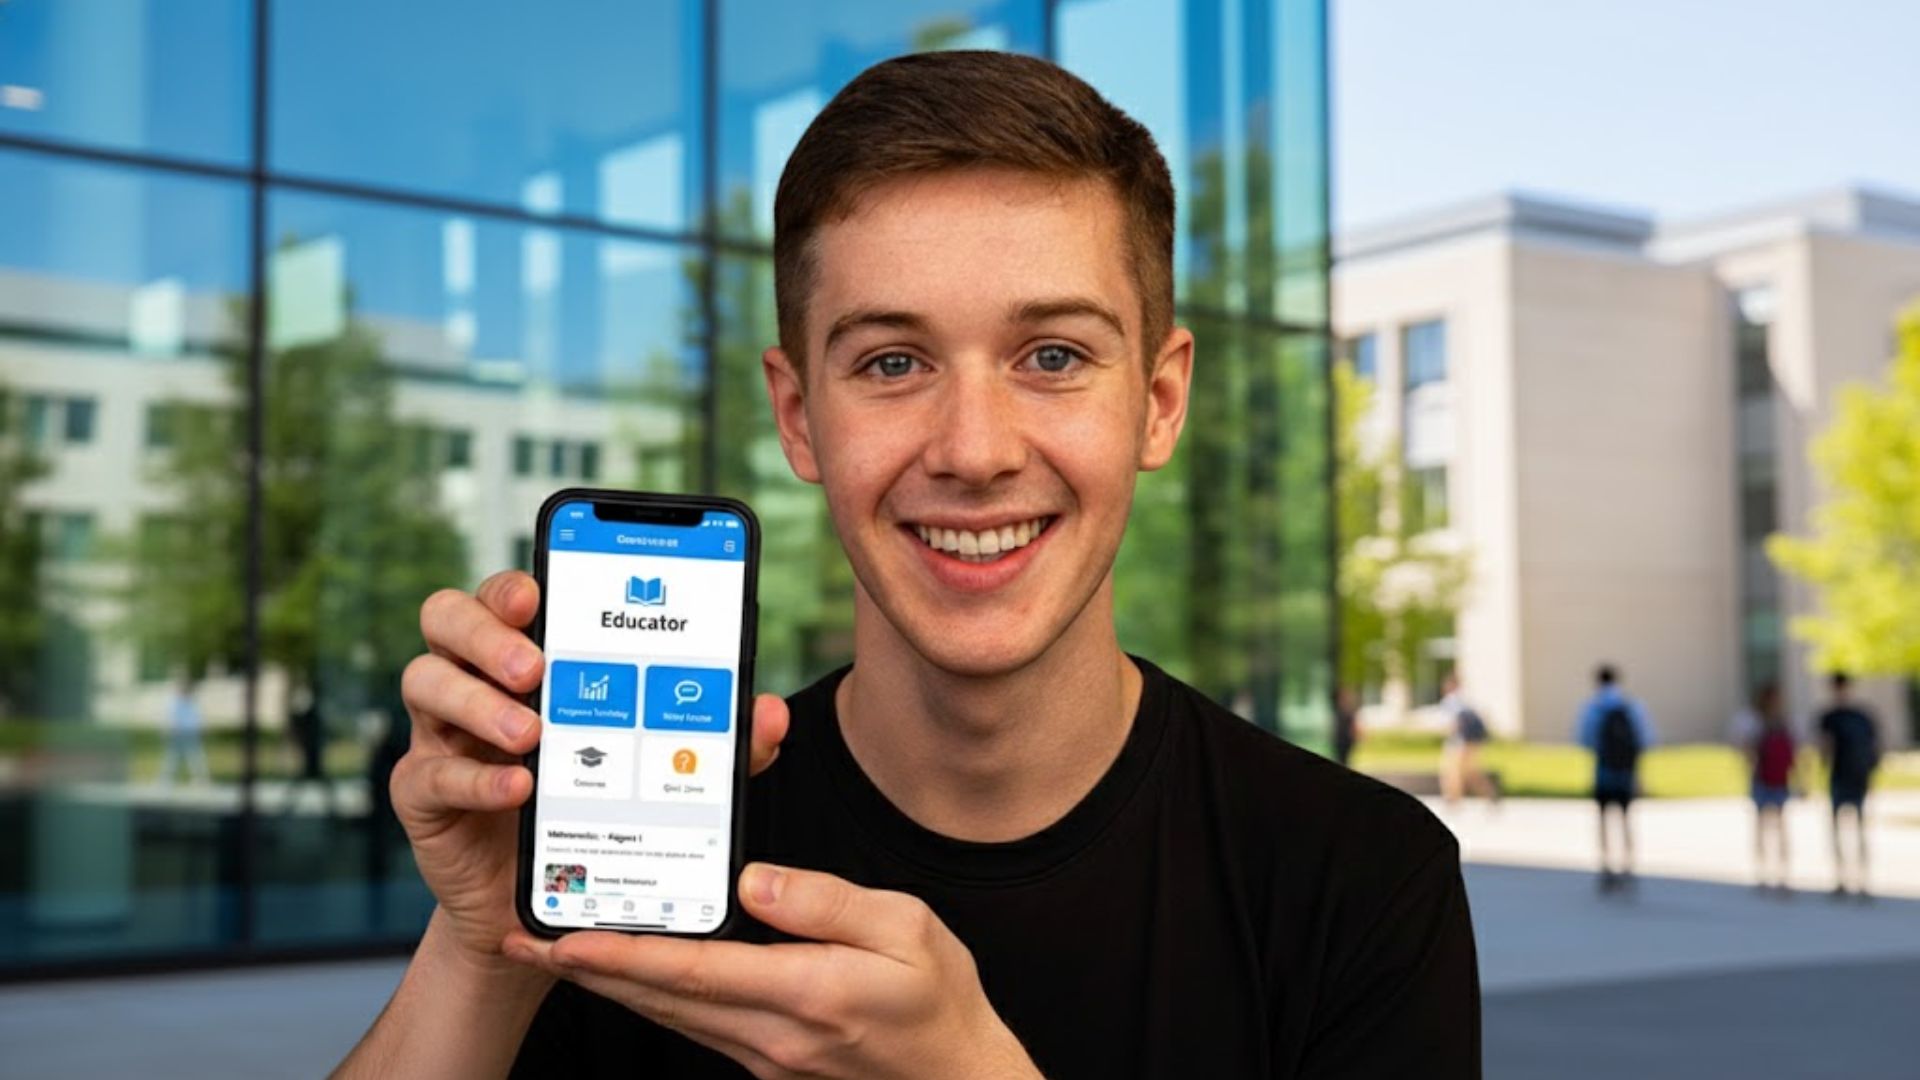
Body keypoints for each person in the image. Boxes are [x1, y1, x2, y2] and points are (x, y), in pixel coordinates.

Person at [337, 52, 1479, 1079]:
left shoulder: (1363, 880)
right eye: (891, 361)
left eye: (1052, 355)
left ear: (1159, 400)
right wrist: (481, 954)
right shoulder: (644, 858)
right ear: (798, 418)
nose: (974, 451)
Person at [1575, 664, 1654, 892]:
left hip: (1604, 772)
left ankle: (1606, 866)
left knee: (1603, 820)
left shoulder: (1593, 707)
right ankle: (1629, 864)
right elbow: (1646, 739)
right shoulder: (1632, 706)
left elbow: (1584, 739)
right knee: (1626, 819)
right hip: (1626, 772)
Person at [1816, 672, 1881, 900]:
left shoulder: (1837, 717)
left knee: (1854, 831)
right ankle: (1846, 878)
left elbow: (1824, 750)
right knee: (1846, 831)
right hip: (1849, 777)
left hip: (1847, 778)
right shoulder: (1858, 716)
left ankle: (1856, 880)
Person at [1738, 683, 1795, 894]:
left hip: (1772, 780)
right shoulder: (1763, 722)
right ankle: (1769, 872)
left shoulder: (1774, 722)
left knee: (1770, 827)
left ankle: (1775, 873)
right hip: (1767, 779)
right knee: (1771, 827)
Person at [1437, 673, 1499, 808]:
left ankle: (1453, 800)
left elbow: (1452, 724)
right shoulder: (1466, 699)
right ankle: (1489, 795)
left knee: (1451, 771)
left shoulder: (1450, 701)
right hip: (1474, 741)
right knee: (1472, 772)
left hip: (1460, 741)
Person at [158, 673, 210, 786]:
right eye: (182, 687)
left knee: (195, 758)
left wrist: (202, 729)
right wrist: (166, 730)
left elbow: (199, 717)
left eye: (186, 687)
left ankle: (201, 780)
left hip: (191, 733)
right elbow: (170, 717)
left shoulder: (193, 702)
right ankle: (165, 781)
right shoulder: (174, 702)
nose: (184, 689)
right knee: (172, 758)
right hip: (178, 733)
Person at [1331, 685, 1360, 767]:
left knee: (1345, 759)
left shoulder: (1346, 709)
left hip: (1346, 739)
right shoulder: (1339, 710)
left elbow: (1352, 725)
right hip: (1340, 739)